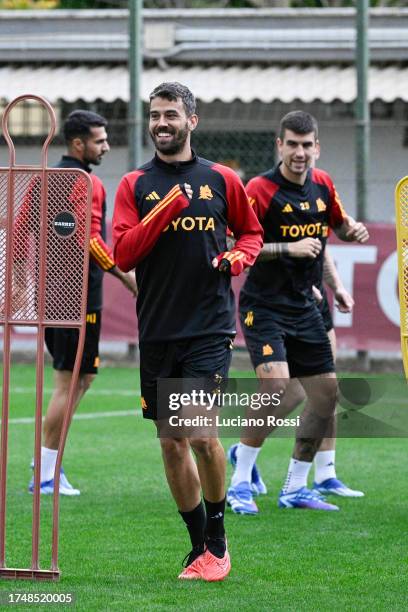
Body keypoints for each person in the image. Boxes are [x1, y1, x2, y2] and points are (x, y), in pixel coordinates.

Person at [112, 82, 263, 581]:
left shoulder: (221, 179)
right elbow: (124, 255)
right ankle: (200, 546)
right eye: (154, 115)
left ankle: (218, 542)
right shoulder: (134, 184)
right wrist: (164, 210)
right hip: (157, 329)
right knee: (171, 442)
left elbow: (251, 231)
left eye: (171, 114)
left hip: (209, 327)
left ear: (192, 120)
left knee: (199, 433)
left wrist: (242, 255)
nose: (161, 123)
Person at [225, 110, 368, 515]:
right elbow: (237, 243)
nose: (300, 152)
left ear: (317, 147)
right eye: (292, 144)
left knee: (326, 395)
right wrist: (287, 248)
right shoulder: (259, 189)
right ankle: (239, 484)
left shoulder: (323, 185)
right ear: (280, 146)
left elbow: (336, 228)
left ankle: (295, 486)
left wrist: (352, 232)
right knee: (276, 388)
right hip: (264, 306)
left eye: (307, 145)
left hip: (307, 304)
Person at [24, 110, 137, 495]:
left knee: (78, 379)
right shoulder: (83, 182)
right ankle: (43, 473)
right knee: (69, 383)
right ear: (78, 144)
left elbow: (21, 228)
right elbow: (90, 240)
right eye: (100, 140)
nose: (105, 146)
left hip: (51, 294)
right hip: (77, 297)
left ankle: (46, 463)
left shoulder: (43, 179)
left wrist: (24, 282)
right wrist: (125, 275)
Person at [227, 248, 364, 512]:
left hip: (312, 298)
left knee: (326, 388)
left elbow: (320, 247)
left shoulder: (324, 206)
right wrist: (287, 248)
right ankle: (242, 459)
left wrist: (337, 287)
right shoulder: (265, 207)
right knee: (288, 389)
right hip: (276, 300)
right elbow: (244, 244)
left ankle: (323, 473)